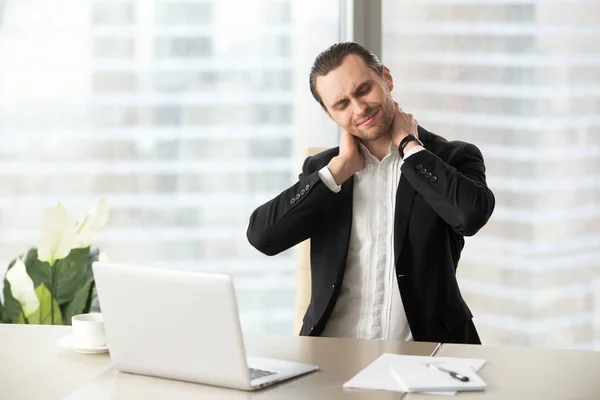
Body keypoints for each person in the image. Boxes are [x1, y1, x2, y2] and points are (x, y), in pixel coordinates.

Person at [246, 42, 495, 344]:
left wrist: (411, 149)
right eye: (342, 104)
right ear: (330, 115)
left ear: (386, 78)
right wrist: (337, 172)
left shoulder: (451, 156)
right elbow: (263, 237)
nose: (360, 108)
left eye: (364, 90)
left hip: (428, 352)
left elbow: (470, 217)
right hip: (332, 353)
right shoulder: (323, 169)